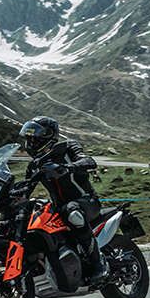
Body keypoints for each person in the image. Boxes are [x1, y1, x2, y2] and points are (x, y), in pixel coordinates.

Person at [19, 116, 108, 283]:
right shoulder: (34, 165)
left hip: (85, 201)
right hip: (59, 208)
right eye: (29, 137)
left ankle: (98, 264)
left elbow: (89, 161)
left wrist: (66, 168)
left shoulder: (68, 147)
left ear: (48, 135)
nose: (31, 141)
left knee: (72, 212)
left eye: (35, 136)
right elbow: (26, 189)